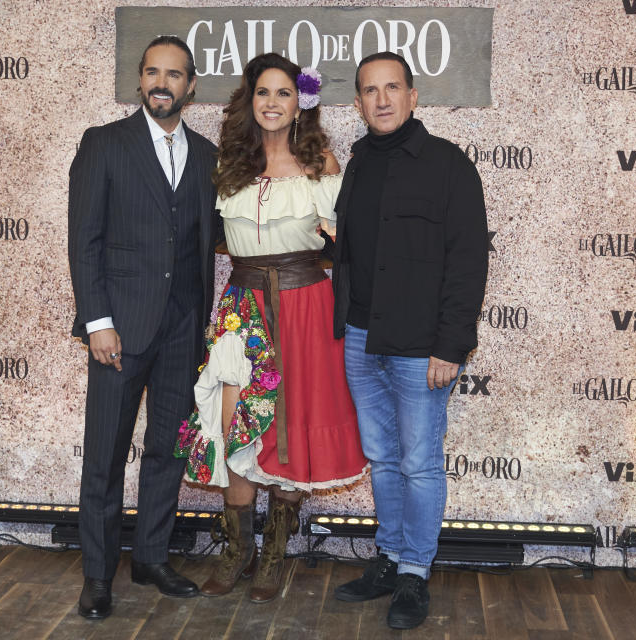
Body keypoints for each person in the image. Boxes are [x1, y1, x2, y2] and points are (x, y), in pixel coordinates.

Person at [175, 52, 368, 604]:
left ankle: (275, 556)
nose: (272, 103)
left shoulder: (321, 165)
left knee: (289, 422)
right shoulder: (228, 165)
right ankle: (238, 551)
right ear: (249, 100)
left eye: (283, 93)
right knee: (236, 423)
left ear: (299, 102)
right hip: (242, 306)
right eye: (263, 92)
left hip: (305, 301)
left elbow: (344, 243)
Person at [330, 52, 489, 630]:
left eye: (392, 87)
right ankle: (391, 559)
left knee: (419, 463)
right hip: (359, 337)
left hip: (421, 345)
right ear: (358, 103)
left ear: (414, 96)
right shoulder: (356, 165)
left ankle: (415, 575)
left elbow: (468, 262)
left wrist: (452, 344)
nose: (382, 99)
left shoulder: (448, 165)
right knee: (382, 458)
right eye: (370, 91)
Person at [68, 36, 220, 619]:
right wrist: (97, 322)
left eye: (175, 74)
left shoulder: (206, 156)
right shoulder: (104, 144)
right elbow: (84, 241)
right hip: (119, 330)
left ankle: (151, 556)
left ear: (190, 85)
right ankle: (97, 576)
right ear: (140, 81)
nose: (163, 83)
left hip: (185, 327)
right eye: (153, 72)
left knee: (167, 449)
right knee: (104, 455)